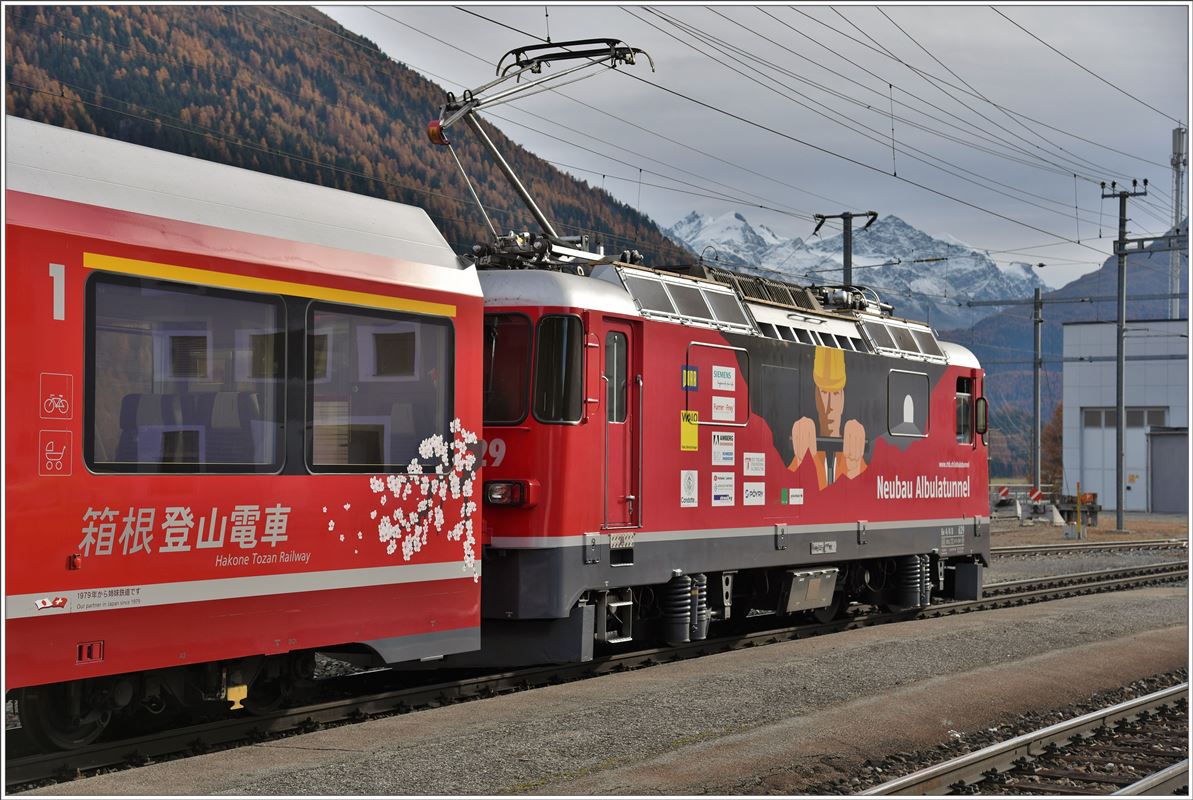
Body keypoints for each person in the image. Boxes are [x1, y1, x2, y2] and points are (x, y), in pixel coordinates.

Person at [788, 347, 867, 485]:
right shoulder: (806, 449)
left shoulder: (853, 456)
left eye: (836, 394)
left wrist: (854, 468)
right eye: (824, 393)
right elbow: (782, 493)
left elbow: (866, 494)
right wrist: (802, 462)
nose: (830, 406)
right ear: (816, 397)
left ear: (842, 399)